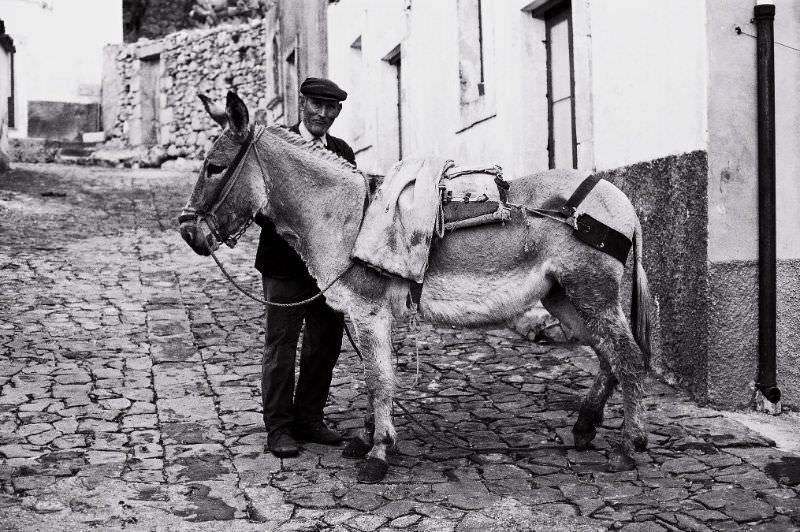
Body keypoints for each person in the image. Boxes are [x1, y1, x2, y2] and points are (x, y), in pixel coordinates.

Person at [254, 77, 356, 458]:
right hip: (283, 265)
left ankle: (309, 419)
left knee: (324, 345)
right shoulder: (277, 145)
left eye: (331, 108)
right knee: (281, 346)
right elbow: (260, 204)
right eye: (317, 105)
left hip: (328, 269)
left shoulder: (343, 152)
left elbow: (350, 205)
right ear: (302, 103)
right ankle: (279, 428)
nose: (323, 114)